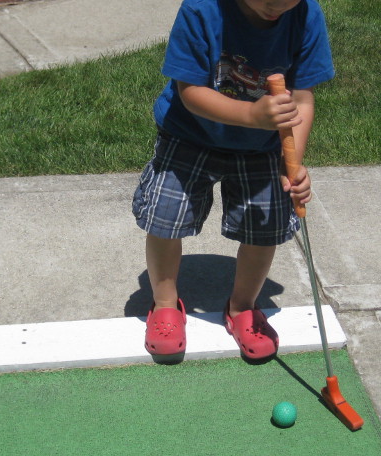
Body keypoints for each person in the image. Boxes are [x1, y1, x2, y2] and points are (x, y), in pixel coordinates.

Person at [132, 0, 334, 360]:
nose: (279, 6)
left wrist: (294, 164)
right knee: (165, 216)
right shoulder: (202, 9)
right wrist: (251, 114)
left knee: (264, 227)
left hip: (261, 148)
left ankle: (242, 307)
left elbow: (302, 96)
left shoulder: (305, 15)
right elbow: (190, 90)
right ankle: (164, 305)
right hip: (188, 134)